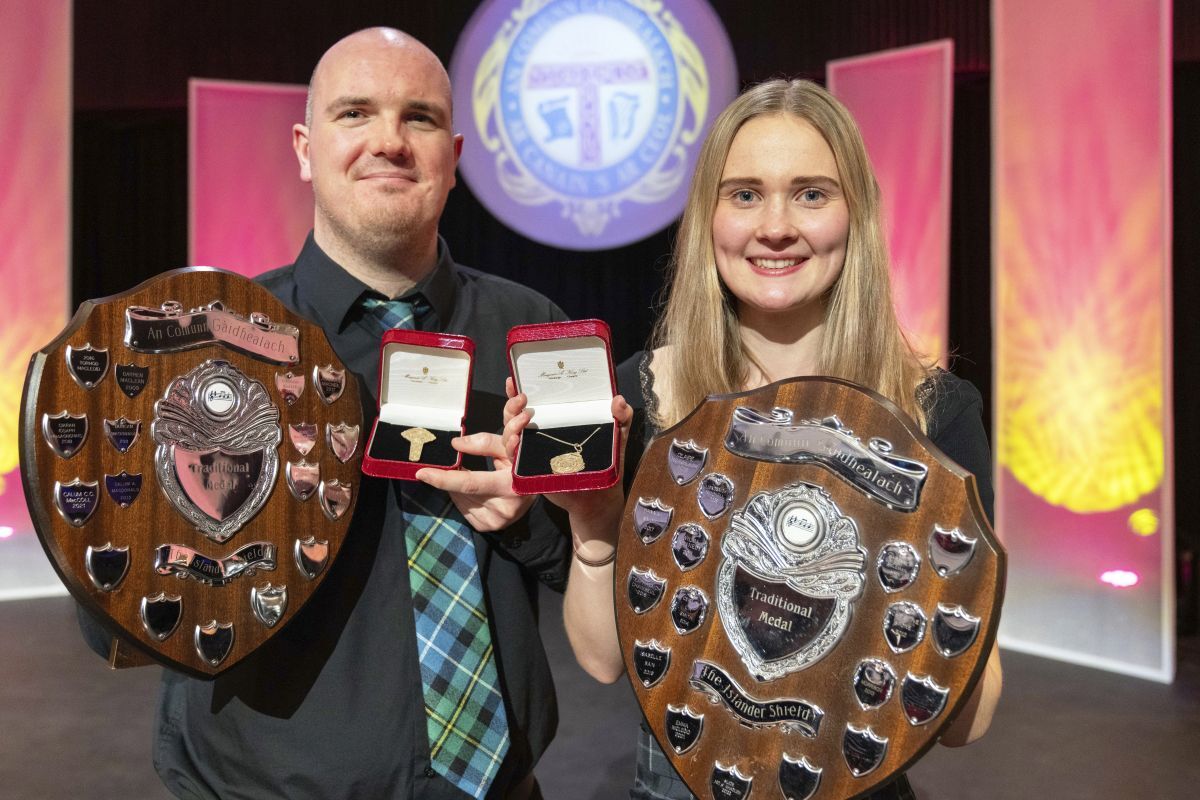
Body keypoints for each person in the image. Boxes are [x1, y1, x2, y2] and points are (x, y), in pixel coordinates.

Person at [80, 27, 570, 799]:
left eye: (420, 117)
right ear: (306, 149)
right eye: (355, 113)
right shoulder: (209, 346)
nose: (389, 140)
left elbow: (593, 565)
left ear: (454, 158)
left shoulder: (533, 330)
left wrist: (527, 519)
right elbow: (125, 608)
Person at [503, 79, 1003, 799]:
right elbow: (607, 660)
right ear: (708, 217)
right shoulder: (644, 392)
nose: (775, 225)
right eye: (743, 194)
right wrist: (592, 521)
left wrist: (949, 629)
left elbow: (965, 721)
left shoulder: (932, 413)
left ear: (854, 214)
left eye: (810, 193)